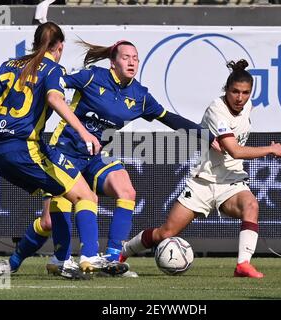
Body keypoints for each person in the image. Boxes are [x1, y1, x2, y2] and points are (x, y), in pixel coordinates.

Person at [38, 39, 219, 278]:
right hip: (63, 150)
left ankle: (111, 260)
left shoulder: (140, 96)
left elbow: (170, 118)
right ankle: (56, 259)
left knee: (127, 190)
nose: (132, 62)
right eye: (126, 57)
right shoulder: (92, 77)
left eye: (135, 58)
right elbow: (52, 84)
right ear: (113, 63)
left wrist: (204, 135)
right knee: (58, 209)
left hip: (93, 156)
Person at [120, 59, 281, 278]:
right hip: (202, 183)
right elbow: (234, 151)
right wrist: (270, 149)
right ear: (226, 90)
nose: (239, 97)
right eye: (235, 91)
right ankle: (122, 253)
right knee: (165, 232)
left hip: (231, 182)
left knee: (251, 206)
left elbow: (236, 143)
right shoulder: (217, 110)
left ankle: (242, 264)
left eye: (245, 93)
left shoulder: (246, 106)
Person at [0, 22, 103, 280]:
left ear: (35, 43)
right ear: (59, 47)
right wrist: (84, 132)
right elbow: (55, 99)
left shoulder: (9, 65)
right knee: (87, 197)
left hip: (0, 151)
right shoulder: (53, 68)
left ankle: (57, 261)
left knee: (62, 195)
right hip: (26, 147)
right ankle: (90, 257)